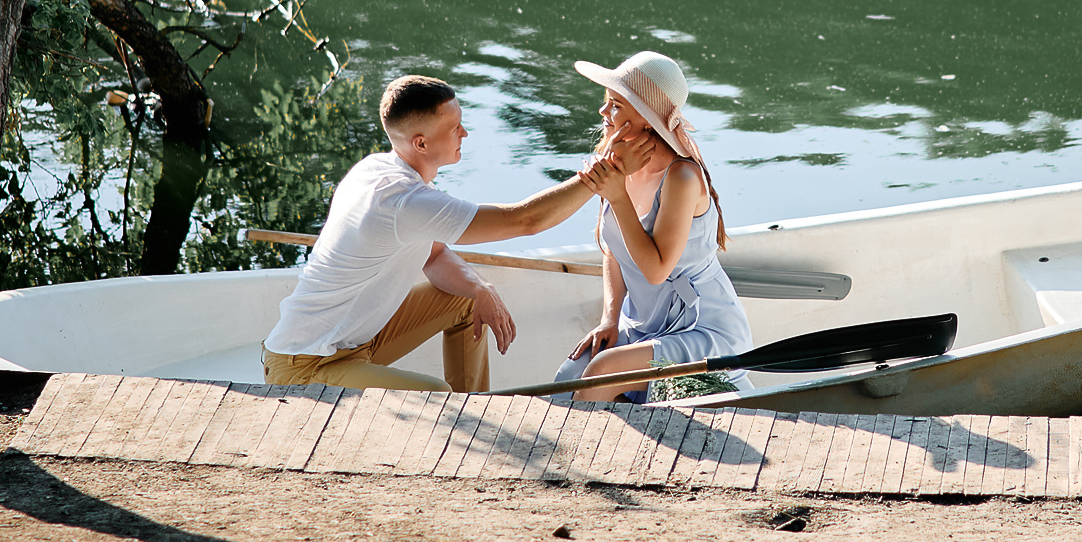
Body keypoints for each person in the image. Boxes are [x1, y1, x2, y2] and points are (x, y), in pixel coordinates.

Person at [260, 74, 655, 391]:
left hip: (356, 344)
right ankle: (462, 425)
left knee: (467, 300)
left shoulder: (381, 169)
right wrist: (604, 174)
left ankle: (475, 409)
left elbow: (433, 255)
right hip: (305, 366)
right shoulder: (402, 200)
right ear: (421, 142)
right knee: (437, 398)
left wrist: (480, 289)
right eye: (455, 128)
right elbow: (525, 221)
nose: (464, 133)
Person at [551, 50, 752, 402]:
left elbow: (656, 270)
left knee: (601, 372)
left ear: (644, 118)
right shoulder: (619, 161)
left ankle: (579, 455)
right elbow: (613, 250)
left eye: (615, 105)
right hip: (641, 323)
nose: (602, 112)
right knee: (570, 373)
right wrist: (610, 319)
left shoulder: (682, 177)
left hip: (701, 327)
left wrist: (618, 197)